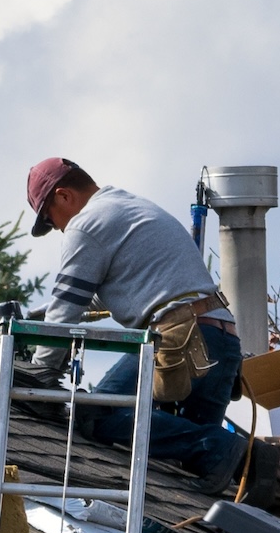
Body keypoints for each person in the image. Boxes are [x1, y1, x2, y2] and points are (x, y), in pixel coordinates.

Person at [24, 156, 252, 494]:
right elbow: (115, 291)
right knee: (186, 463)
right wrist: (44, 313)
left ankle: (219, 446)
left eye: (49, 218)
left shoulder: (86, 224)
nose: (56, 227)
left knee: (97, 413)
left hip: (181, 340)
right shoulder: (127, 207)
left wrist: (37, 377)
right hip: (219, 342)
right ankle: (247, 457)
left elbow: (66, 310)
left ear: (63, 196)